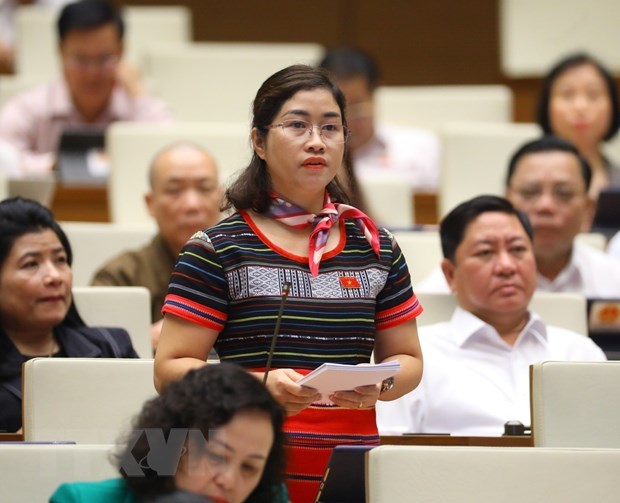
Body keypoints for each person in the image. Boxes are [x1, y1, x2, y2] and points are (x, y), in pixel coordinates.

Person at [154, 64, 424, 502]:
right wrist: (258, 385)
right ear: (259, 141)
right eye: (297, 125)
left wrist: (381, 385)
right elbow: (169, 371)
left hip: (349, 467)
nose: (316, 141)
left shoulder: (378, 247)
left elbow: (409, 360)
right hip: (243, 471)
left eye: (331, 127)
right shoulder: (217, 247)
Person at [377, 195, 606, 436]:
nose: (507, 266)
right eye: (486, 252)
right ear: (450, 274)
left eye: (518, 249)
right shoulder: (415, 359)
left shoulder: (581, 352)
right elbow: (390, 453)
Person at [50, 362, 288, 503]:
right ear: (172, 445)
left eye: (249, 468)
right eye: (216, 457)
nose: (228, 481)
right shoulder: (79, 500)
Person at [0, 196, 138, 434]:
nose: (55, 276)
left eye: (60, 260)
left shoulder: (113, 349)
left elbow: (159, 455)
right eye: (31, 264)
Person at [419, 136, 620, 297]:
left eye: (563, 193)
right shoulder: (464, 275)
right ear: (506, 202)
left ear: (588, 210)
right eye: (530, 193)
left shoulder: (613, 278)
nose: (545, 206)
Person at [0, 0, 171, 176]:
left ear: (121, 51)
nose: (92, 74)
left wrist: (138, 93)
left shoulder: (135, 105)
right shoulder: (29, 106)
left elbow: (170, 152)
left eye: (104, 59)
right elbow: (2, 159)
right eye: (81, 60)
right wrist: (56, 165)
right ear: (60, 52)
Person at [91, 143, 222, 351]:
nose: (192, 204)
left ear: (222, 198)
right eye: (174, 190)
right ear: (150, 203)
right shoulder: (120, 276)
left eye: (204, 189)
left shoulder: (248, 266)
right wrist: (143, 338)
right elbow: (94, 349)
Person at [318, 46, 441, 193]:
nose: (347, 122)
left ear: (374, 96)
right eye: (336, 111)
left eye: (357, 108)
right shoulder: (310, 155)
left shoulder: (420, 148)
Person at [536, 52, 620, 201]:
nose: (580, 107)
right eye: (567, 95)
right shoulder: (528, 181)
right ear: (547, 105)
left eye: (593, 95)